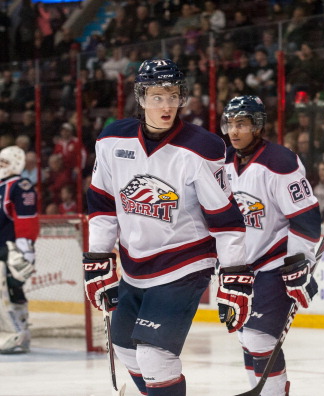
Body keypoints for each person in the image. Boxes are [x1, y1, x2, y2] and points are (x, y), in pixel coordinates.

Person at [83, 59, 249, 396]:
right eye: (158, 96)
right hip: (135, 266)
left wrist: (234, 275)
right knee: (126, 348)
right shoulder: (112, 140)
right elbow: (102, 204)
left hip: (184, 264)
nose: (167, 105)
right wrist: (98, 258)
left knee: (154, 356)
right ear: (141, 98)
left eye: (174, 95)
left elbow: (226, 219)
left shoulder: (201, 148)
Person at [221, 95, 321, 395]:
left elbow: (306, 219)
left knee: (259, 338)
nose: (234, 131)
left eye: (242, 124)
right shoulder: (222, 161)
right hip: (238, 268)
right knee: (244, 336)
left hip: (273, 265)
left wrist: (298, 263)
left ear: (258, 126)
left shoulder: (280, 162)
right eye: (230, 123)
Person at [0, 146, 39, 354]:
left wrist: (25, 248)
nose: (1, 167)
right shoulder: (2, 185)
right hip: (2, 246)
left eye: (5, 163)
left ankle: (20, 335)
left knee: (13, 290)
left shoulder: (21, 185)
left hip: (11, 248)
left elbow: (27, 219)